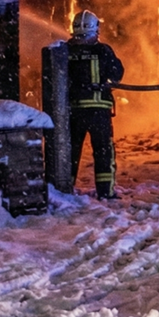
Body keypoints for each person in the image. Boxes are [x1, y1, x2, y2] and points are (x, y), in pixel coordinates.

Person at [65, 10, 124, 201]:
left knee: (71, 151)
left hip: (74, 111)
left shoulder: (64, 51)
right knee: (103, 151)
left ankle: (65, 188)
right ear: (96, 29)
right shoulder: (103, 50)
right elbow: (117, 73)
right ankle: (106, 192)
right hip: (99, 110)